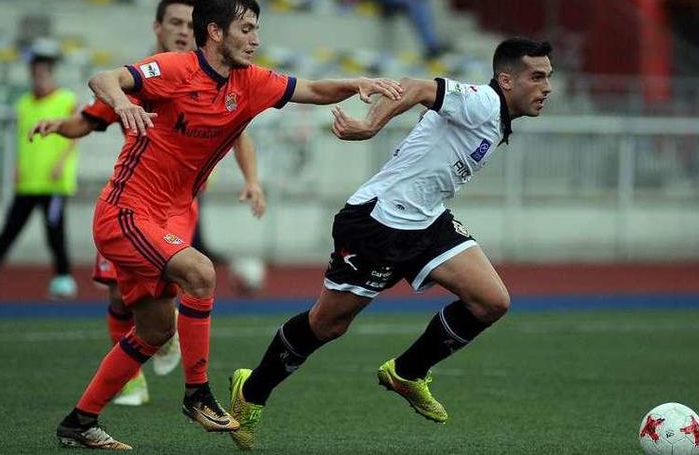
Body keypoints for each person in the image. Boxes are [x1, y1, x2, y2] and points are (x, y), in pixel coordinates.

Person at [52, 0, 403, 450]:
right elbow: (103, 78)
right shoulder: (176, 69)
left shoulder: (252, 81)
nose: (255, 38)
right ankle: (198, 394)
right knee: (201, 273)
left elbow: (313, 89)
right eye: (246, 28)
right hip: (125, 212)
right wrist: (121, 103)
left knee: (156, 330)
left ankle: (78, 422)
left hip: (169, 217)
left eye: (257, 28)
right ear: (214, 32)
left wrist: (358, 84)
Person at [227, 37, 553, 451]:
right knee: (328, 324)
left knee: (491, 301)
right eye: (537, 77)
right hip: (377, 222)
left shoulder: (498, 117)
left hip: (427, 220)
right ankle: (250, 393)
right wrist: (369, 126)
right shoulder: (484, 102)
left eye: (549, 77)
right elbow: (416, 87)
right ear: (506, 80)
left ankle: (408, 372)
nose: (546, 87)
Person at [30, 0, 265, 409]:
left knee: (181, 282)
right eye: (173, 22)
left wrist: (252, 180)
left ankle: (170, 348)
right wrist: (58, 126)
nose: (181, 30)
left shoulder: (216, 76)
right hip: (135, 201)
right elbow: (89, 119)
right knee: (120, 295)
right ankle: (135, 377)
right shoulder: (139, 77)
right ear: (157, 28)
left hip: (180, 205)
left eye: (187, 22)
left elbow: (241, 129)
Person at [0, 54, 79, 299]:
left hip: (54, 183)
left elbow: (74, 134)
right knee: (10, 227)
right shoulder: (24, 104)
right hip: (29, 180)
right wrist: (17, 166)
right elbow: (22, 139)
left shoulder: (66, 100)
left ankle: (64, 278)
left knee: (55, 231)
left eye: (43, 74)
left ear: (52, 75)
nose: (39, 80)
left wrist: (62, 162)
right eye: (35, 75)